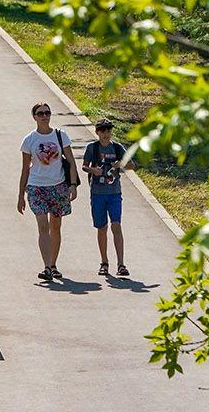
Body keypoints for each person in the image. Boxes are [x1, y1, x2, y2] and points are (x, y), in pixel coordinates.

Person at [17, 102, 75, 281]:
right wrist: (21, 196)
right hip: (36, 187)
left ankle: (54, 264)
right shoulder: (29, 140)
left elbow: (71, 161)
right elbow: (25, 168)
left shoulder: (60, 135)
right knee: (43, 226)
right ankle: (47, 267)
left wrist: (73, 185)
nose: (44, 116)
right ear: (34, 117)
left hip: (58, 186)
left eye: (47, 113)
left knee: (55, 227)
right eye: (40, 113)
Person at [84, 118, 132, 277]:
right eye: (103, 131)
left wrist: (121, 163)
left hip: (114, 193)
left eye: (108, 131)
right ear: (97, 132)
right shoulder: (92, 148)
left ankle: (121, 264)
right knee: (102, 227)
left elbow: (132, 165)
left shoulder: (117, 148)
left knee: (116, 225)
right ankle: (104, 262)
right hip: (97, 193)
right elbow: (84, 166)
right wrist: (93, 170)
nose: (106, 134)